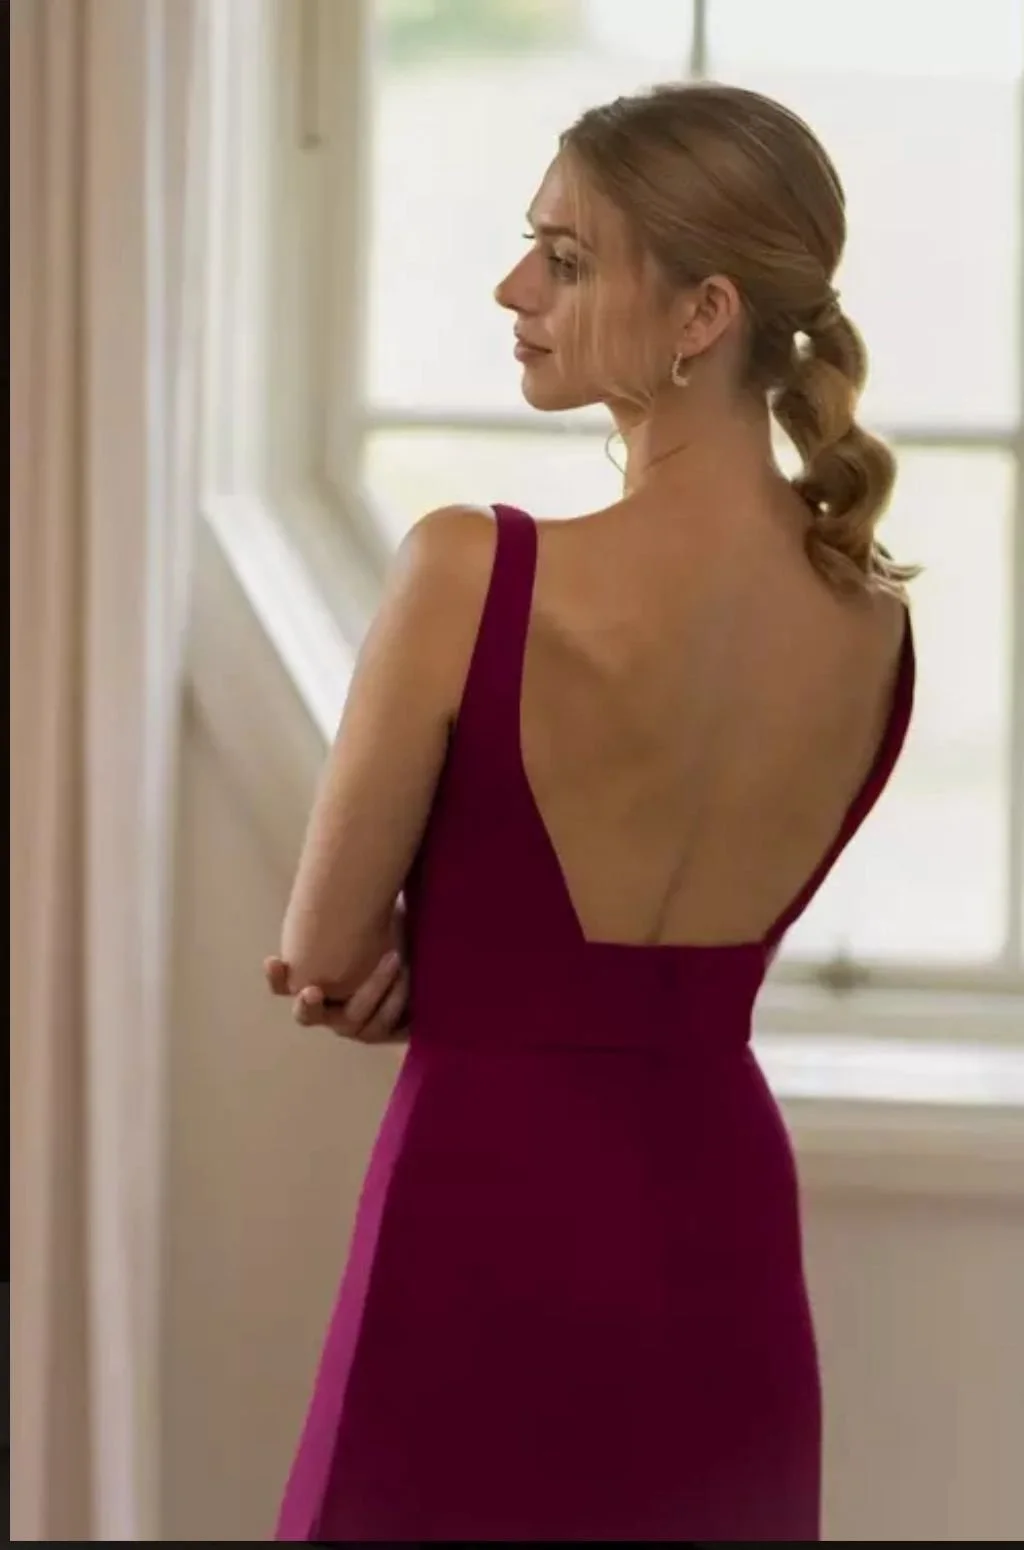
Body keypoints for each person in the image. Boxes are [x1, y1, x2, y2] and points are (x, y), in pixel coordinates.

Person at [267, 81, 916, 1543]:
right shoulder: (878, 633)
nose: (513, 287)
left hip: (480, 1204)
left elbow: (321, 948)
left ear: (702, 316)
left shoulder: (467, 570)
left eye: (564, 258)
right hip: (721, 1226)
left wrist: (439, 969)